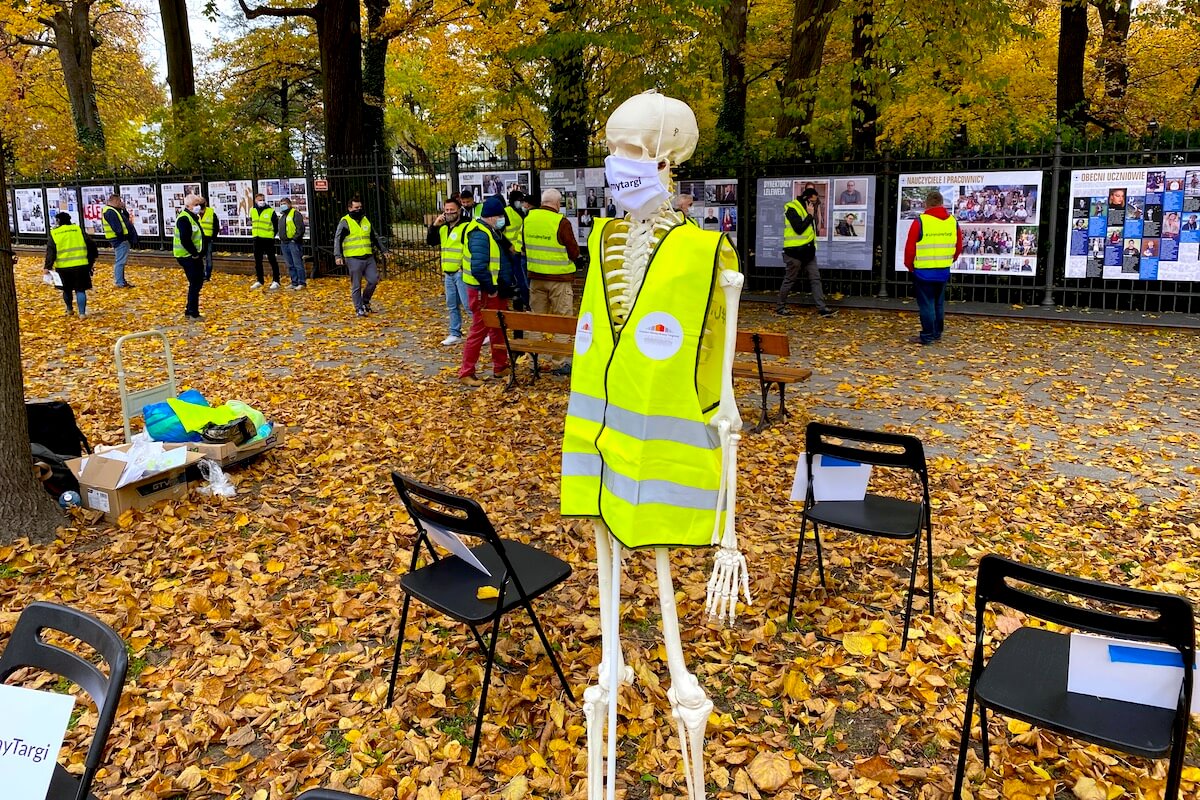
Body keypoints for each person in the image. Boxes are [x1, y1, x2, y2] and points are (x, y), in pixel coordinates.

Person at [523, 188, 581, 375]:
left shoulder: (528, 219)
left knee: (536, 321)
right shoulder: (561, 222)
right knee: (562, 322)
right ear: (557, 204)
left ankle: (534, 362)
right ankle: (559, 363)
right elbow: (574, 251)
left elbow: (523, 247)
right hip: (560, 280)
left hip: (535, 279)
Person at [458, 195, 514, 386]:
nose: (502, 220)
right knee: (479, 330)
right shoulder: (480, 233)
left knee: (498, 327)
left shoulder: (490, 230)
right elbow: (479, 267)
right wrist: (490, 289)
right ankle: (466, 372)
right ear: (491, 216)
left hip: (494, 289)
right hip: (484, 291)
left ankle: (500, 366)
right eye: (500, 216)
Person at [902, 190, 962, 346]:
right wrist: (950, 260)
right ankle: (937, 333)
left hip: (923, 271)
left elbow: (910, 248)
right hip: (942, 270)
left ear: (926, 204)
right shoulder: (952, 222)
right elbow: (958, 247)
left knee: (927, 304)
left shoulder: (920, 221)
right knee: (938, 303)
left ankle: (927, 335)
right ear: (942, 203)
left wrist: (910, 266)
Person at [778, 188, 835, 317]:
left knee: (815, 278)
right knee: (789, 280)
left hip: (808, 252)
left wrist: (812, 214)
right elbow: (798, 229)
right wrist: (809, 215)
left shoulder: (810, 209)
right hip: (794, 252)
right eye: (814, 200)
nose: (815, 203)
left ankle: (822, 308)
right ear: (808, 199)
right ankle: (780, 308)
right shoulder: (792, 208)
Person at [427, 197, 471, 344]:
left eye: (452, 210)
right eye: (446, 210)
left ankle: (484, 332)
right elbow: (430, 242)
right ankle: (455, 333)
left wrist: (464, 268)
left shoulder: (466, 226)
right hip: (448, 273)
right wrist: (434, 225)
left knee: (468, 306)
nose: (449, 213)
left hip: (461, 272)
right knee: (452, 305)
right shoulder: (443, 228)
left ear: (459, 210)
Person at [334, 196, 386, 317]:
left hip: (368, 257)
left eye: (360, 207)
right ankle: (359, 308)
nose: (359, 209)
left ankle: (365, 301)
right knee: (356, 285)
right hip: (353, 258)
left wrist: (383, 249)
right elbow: (338, 240)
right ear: (350, 208)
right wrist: (338, 255)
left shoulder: (365, 220)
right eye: (356, 207)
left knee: (374, 280)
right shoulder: (345, 222)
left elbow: (374, 236)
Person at [44, 212, 98, 317]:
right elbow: (91, 245)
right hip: (81, 265)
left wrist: (47, 267)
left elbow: (51, 252)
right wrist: (90, 262)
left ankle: (69, 309)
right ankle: (82, 313)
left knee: (66, 290)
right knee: (80, 290)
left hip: (63, 267)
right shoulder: (78, 230)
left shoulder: (55, 233)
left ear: (58, 221)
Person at [173, 194, 206, 320]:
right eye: (196, 205)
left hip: (191, 255)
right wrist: (195, 253)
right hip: (187, 256)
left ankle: (190, 310)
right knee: (195, 283)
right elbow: (185, 239)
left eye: (199, 204)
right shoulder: (184, 219)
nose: (198, 207)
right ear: (188, 206)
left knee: (197, 282)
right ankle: (193, 312)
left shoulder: (192, 216)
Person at [100, 194, 137, 288]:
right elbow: (118, 227)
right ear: (116, 201)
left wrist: (123, 209)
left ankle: (121, 281)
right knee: (120, 261)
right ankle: (120, 282)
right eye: (120, 201)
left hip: (118, 239)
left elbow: (125, 218)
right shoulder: (110, 212)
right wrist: (123, 237)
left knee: (120, 260)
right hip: (119, 240)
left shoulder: (113, 210)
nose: (121, 203)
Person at [249, 193, 281, 289]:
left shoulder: (270, 211)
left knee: (272, 260)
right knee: (258, 261)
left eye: (263, 199)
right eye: (259, 200)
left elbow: (276, 225)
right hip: (257, 238)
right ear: (255, 200)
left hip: (268, 239)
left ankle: (276, 280)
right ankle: (260, 280)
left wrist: (272, 235)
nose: (261, 201)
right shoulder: (252, 211)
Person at [277, 197, 307, 289]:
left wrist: (295, 239)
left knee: (297, 263)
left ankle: (301, 282)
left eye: (284, 203)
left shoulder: (295, 214)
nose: (283, 206)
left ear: (289, 204)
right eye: (281, 204)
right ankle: (294, 282)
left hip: (293, 242)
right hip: (284, 242)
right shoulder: (283, 216)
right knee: (290, 264)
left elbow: (300, 228)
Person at [197, 196, 218, 281]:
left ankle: (207, 276)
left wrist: (213, 237)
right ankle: (201, 275)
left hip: (208, 239)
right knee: (199, 258)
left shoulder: (211, 212)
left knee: (208, 258)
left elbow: (216, 226)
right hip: (198, 239)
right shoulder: (195, 212)